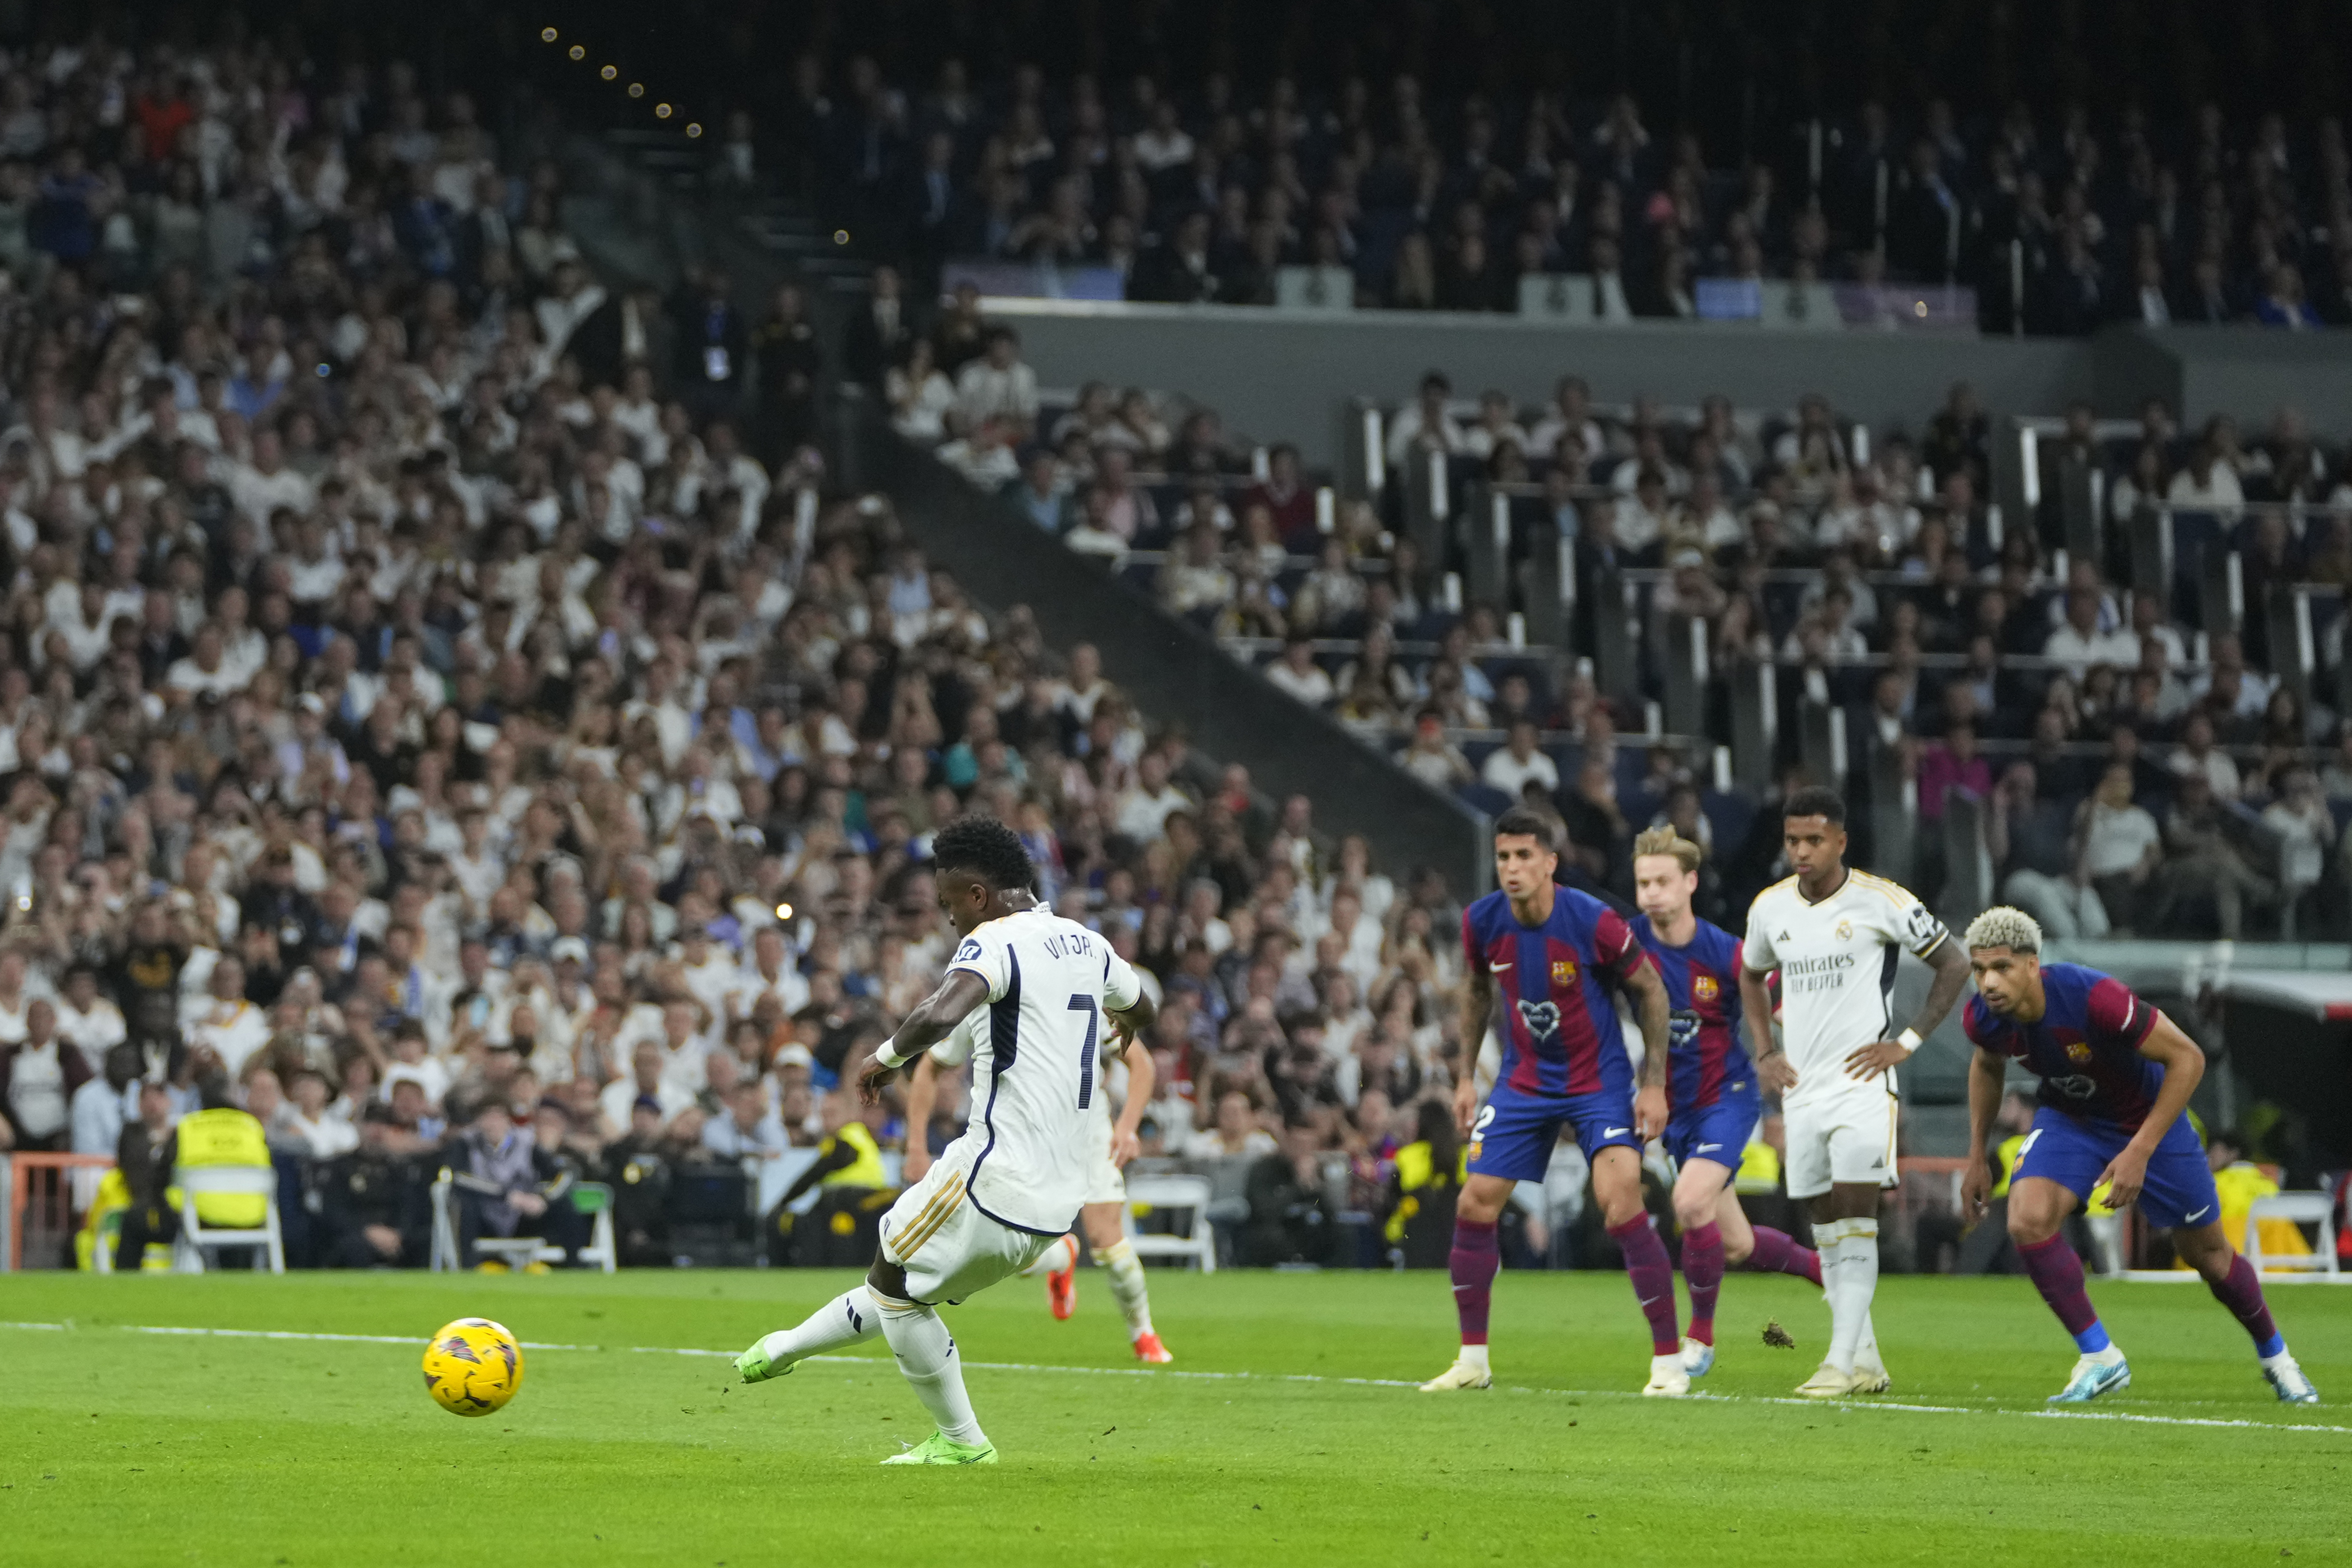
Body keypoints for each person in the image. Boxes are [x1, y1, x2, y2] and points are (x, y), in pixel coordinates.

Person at [734, 816, 1158, 1465]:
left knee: (893, 1281)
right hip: (1058, 1200)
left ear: (980, 895)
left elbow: (940, 1012)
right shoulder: (1086, 943)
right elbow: (1143, 1007)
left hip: (992, 1175)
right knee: (901, 1285)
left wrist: (882, 1058)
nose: (951, 920)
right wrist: (1126, 1024)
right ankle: (785, 1348)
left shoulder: (995, 942)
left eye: (951, 903)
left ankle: (962, 1442)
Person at [1959, 908, 2319, 1405]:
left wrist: (2139, 1151)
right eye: (1979, 970)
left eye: (2000, 967)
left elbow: (2188, 1058)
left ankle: (2279, 1359)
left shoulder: (2095, 998)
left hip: (2151, 1121)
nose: (1988, 982)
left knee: (2209, 1257)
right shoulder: (1984, 1018)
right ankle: (2100, 1357)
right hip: (2073, 1118)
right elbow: (1987, 1065)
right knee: (2027, 1218)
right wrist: (1977, 1153)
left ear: (2032, 965)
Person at [1419, 807, 1678, 1397]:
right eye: (1504, 857)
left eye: (1524, 857)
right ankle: (1473, 1362)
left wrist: (1655, 1082)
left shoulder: (1594, 921)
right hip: (1525, 1080)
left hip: (1598, 1082)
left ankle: (1668, 1361)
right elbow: (1478, 991)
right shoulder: (1481, 922)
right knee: (1475, 1204)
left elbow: (1651, 989)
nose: (1512, 868)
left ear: (1550, 863)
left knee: (1620, 1205)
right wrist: (1465, 1078)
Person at [1738, 785, 1971, 1398]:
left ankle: (1838, 1364)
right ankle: (1865, 1359)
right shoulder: (1771, 909)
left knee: (1855, 1215)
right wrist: (1766, 1050)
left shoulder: (1881, 901)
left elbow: (1956, 962)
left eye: (1814, 840)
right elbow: (1749, 972)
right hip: (1803, 1089)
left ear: (1841, 841)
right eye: (1793, 840)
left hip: (1864, 1084)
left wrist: (1909, 1041)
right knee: (1825, 1224)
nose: (1802, 851)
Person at [1627, 828, 1823, 1383]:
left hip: (1727, 1099)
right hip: (1675, 1112)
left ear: (1689, 882)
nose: (1652, 894)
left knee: (1690, 1204)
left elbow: (1777, 998)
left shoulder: (1725, 953)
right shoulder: (1626, 946)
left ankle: (1701, 1340)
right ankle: (1826, 1273)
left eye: (1663, 882)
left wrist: (1788, 1035)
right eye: (1643, 884)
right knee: (1734, 1243)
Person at [904, 1008, 1172, 1362]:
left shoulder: (1077, 992)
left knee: (1108, 1242)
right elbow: (931, 1065)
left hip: (1086, 1129)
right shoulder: (986, 997)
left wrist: (1127, 1127)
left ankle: (1144, 1333)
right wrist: (915, 1147)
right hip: (1020, 1137)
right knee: (1004, 1247)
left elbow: (1141, 1063)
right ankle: (1061, 1257)